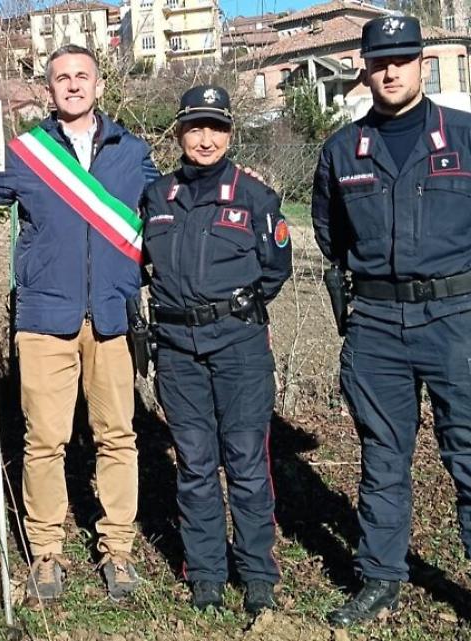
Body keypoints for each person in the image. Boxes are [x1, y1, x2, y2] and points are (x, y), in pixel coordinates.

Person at [312, 16, 471, 640]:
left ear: (421, 66)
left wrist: (449, 271)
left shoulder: (470, 137)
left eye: (403, 60)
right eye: (380, 61)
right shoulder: (340, 150)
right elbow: (332, 236)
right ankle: (380, 577)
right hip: (377, 324)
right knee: (383, 458)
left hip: (457, 321)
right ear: (365, 68)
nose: (391, 71)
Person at [0, 43, 159, 601]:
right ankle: (47, 552)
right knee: (44, 441)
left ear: (99, 85)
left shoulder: (134, 153)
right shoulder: (24, 152)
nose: (74, 85)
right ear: (48, 89)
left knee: (118, 438)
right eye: (62, 78)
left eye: (83, 76)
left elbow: (173, 206)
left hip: (111, 317)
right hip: (44, 319)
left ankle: (118, 550)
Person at [141, 85, 292, 615]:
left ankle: (257, 574)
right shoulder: (157, 196)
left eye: (217, 129)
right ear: (179, 132)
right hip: (178, 348)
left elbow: (275, 269)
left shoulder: (255, 197)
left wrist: (232, 309)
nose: (206, 139)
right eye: (195, 128)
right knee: (195, 464)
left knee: (247, 464)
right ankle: (205, 572)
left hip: (239, 347)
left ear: (230, 133)